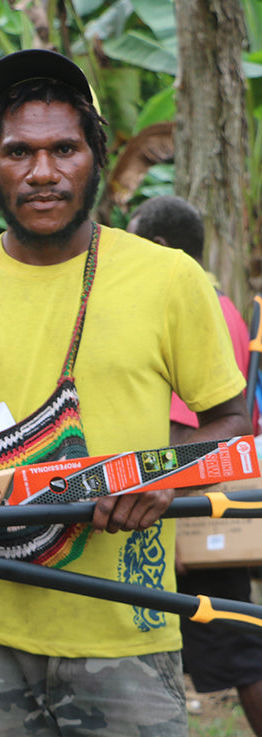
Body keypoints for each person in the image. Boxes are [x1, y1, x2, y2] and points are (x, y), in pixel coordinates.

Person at [0, 49, 252, 736]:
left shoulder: (168, 278)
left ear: (95, 153)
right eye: (18, 151)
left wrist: (161, 476)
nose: (42, 172)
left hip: (126, 626)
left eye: (64, 148)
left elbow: (231, 420)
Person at [128, 194, 262, 736]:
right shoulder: (222, 301)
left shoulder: (187, 303)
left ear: (160, 248)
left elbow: (185, 432)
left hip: (186, 503)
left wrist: (177, 522)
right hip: (195, 500)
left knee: (238, 646)